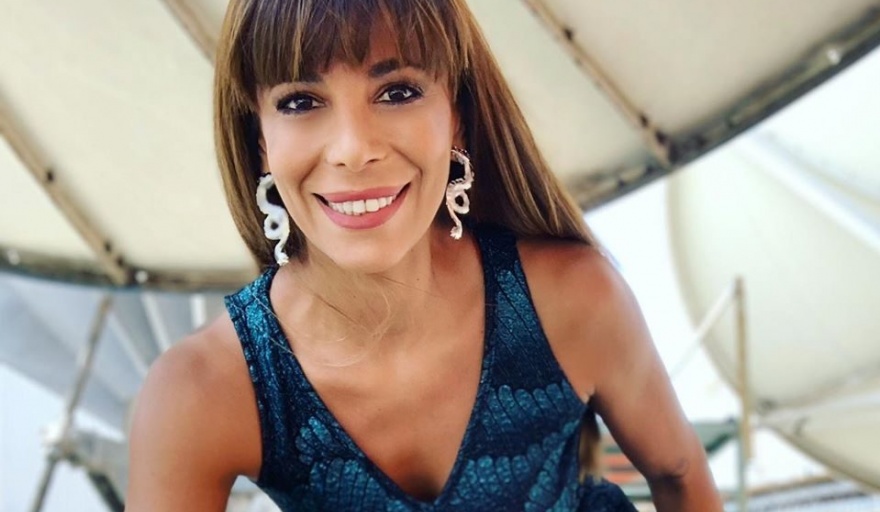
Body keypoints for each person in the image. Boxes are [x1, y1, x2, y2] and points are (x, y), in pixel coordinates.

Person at [127, 0, 722, 510]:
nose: (353, 149)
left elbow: (680, 475)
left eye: (398, 92)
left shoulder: (572, 299)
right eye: (301, 102)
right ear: (260, 139)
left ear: (456, 116)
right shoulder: (202, 391)